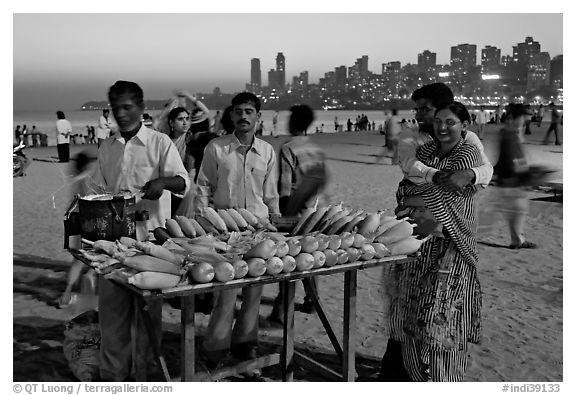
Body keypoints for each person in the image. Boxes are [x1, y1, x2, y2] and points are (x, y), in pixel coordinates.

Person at [382, 82, 492, 381]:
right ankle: (401, 373)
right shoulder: (414, 139)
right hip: (417, 240)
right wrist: (432, 182)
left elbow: (481, 175)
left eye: (425, 109)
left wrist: (469, 174)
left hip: (449, 241)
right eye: (417, 109)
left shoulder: (468, 143)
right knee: (407, 307)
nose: (419, 115)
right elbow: (408, 172)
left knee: (439, 314)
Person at [88, 80, 190, 381]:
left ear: (142, 109)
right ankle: (113, 377)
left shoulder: (160, 143)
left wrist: (162, 183)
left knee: (147, 318)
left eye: (127, 107)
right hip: (114, 243)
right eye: (116, 108)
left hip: (150, 245)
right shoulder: (107, 147)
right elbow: (96, 189)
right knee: (112, 318)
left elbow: (183, 182)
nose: (121, 114)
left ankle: (142, 376)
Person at [195, 92, 280, 373]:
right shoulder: (216, 148)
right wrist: (201, 223)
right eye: (238, 111)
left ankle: (246, 344)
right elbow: (203, 187)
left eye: (249, 111)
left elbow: (270, 195)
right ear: (231, 116)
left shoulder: (267, 151)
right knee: (226, 292)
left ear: (258, 117)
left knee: (254, 291)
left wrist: (275, 221)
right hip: (225, 231)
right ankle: (216, 347)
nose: (243, 116)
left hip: (258, 230)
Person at [266, 104, 328, 327]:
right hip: (313, 208)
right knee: (311, 253)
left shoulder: (288, 148)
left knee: (289, 256)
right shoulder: (315, 148)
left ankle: (282, 307)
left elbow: (284, 184)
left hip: (293, 207)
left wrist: (281, 212)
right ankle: (312, 299)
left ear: (293, 122)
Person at [483, 103, 538, 249]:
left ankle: (517, 240)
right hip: (511, 180)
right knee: (518, 209)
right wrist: (523, 173)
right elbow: (509, 159)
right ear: (514, 118)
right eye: (522, 118)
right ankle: (517, 240)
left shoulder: (510, 133)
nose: (524, 122)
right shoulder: (509, 134)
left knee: (517, 210)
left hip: (508, 179)